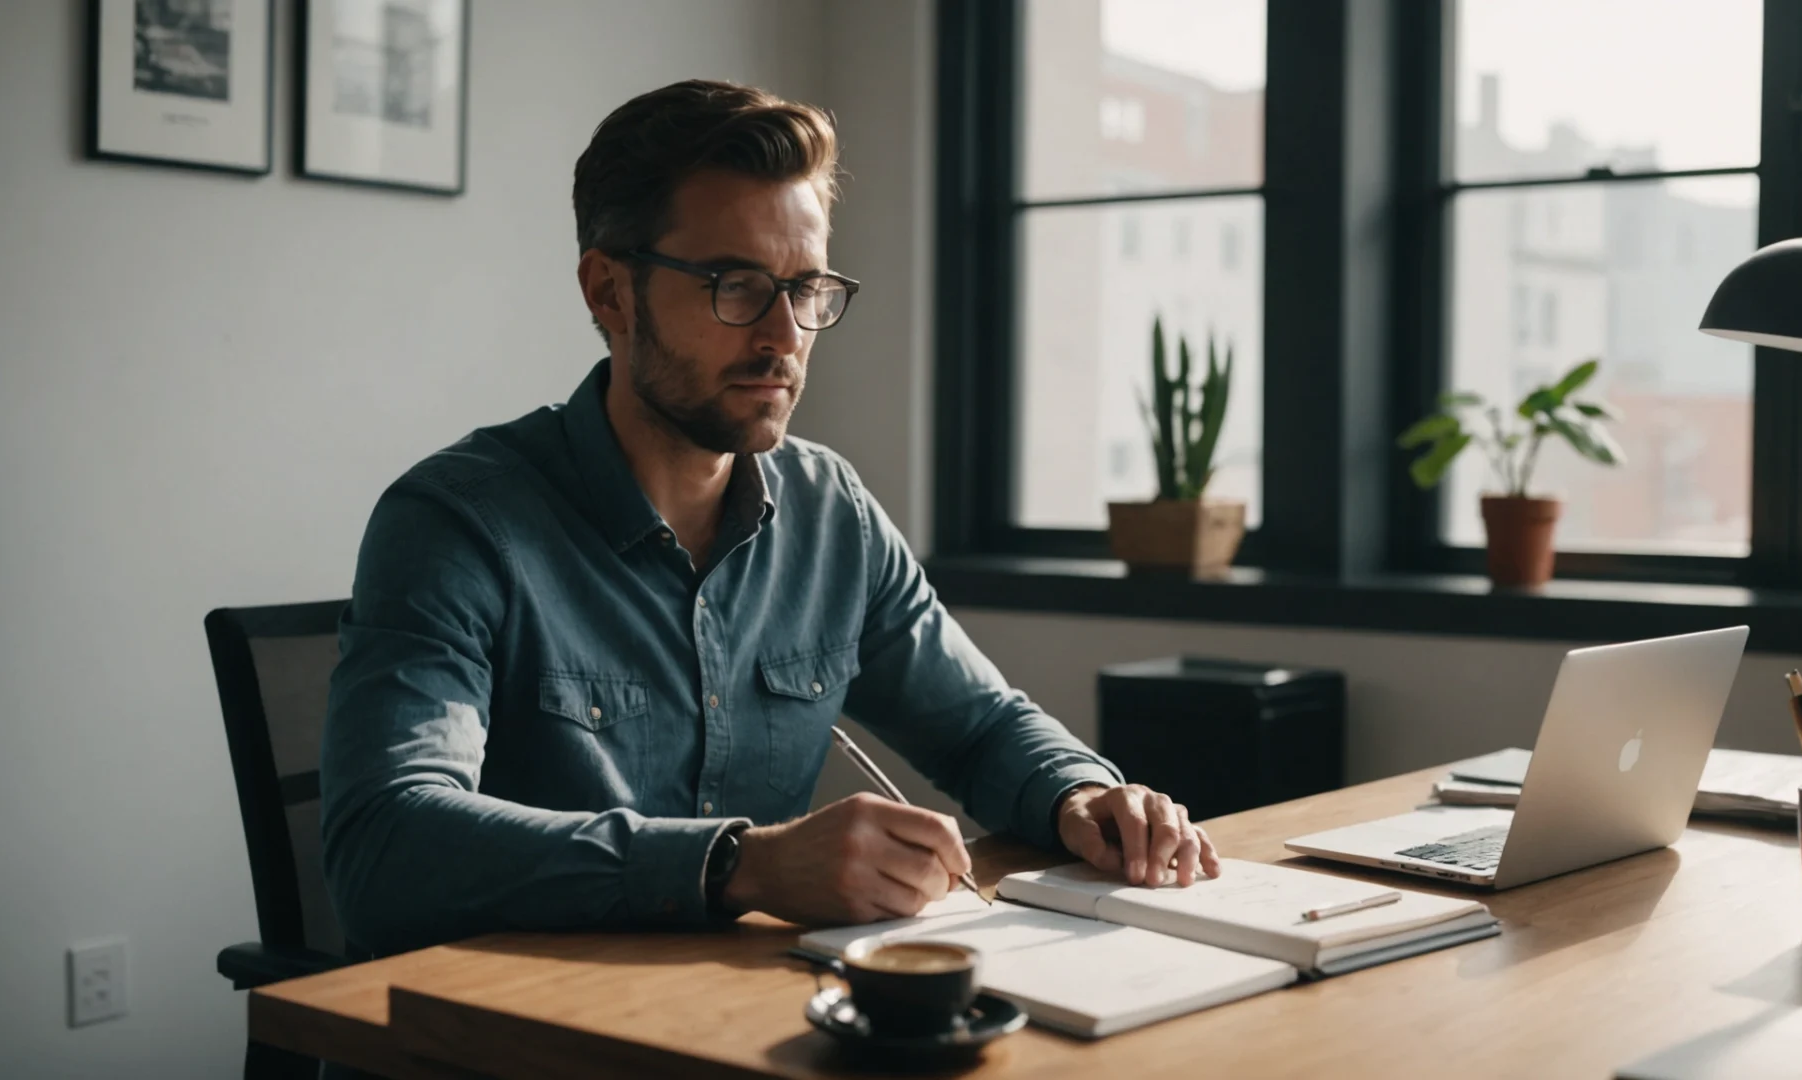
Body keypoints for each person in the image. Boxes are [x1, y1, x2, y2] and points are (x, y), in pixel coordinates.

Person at [320, 79, 1220, 958]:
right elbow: (385, 845)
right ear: (609, 293)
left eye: (807, 288)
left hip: (738, 1026)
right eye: (735, 284)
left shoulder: (831, 513)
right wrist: (736, 867)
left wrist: (1078, 796)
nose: (785, 334)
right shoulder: (456, 523)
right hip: (500, 1043)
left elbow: (980, 727)